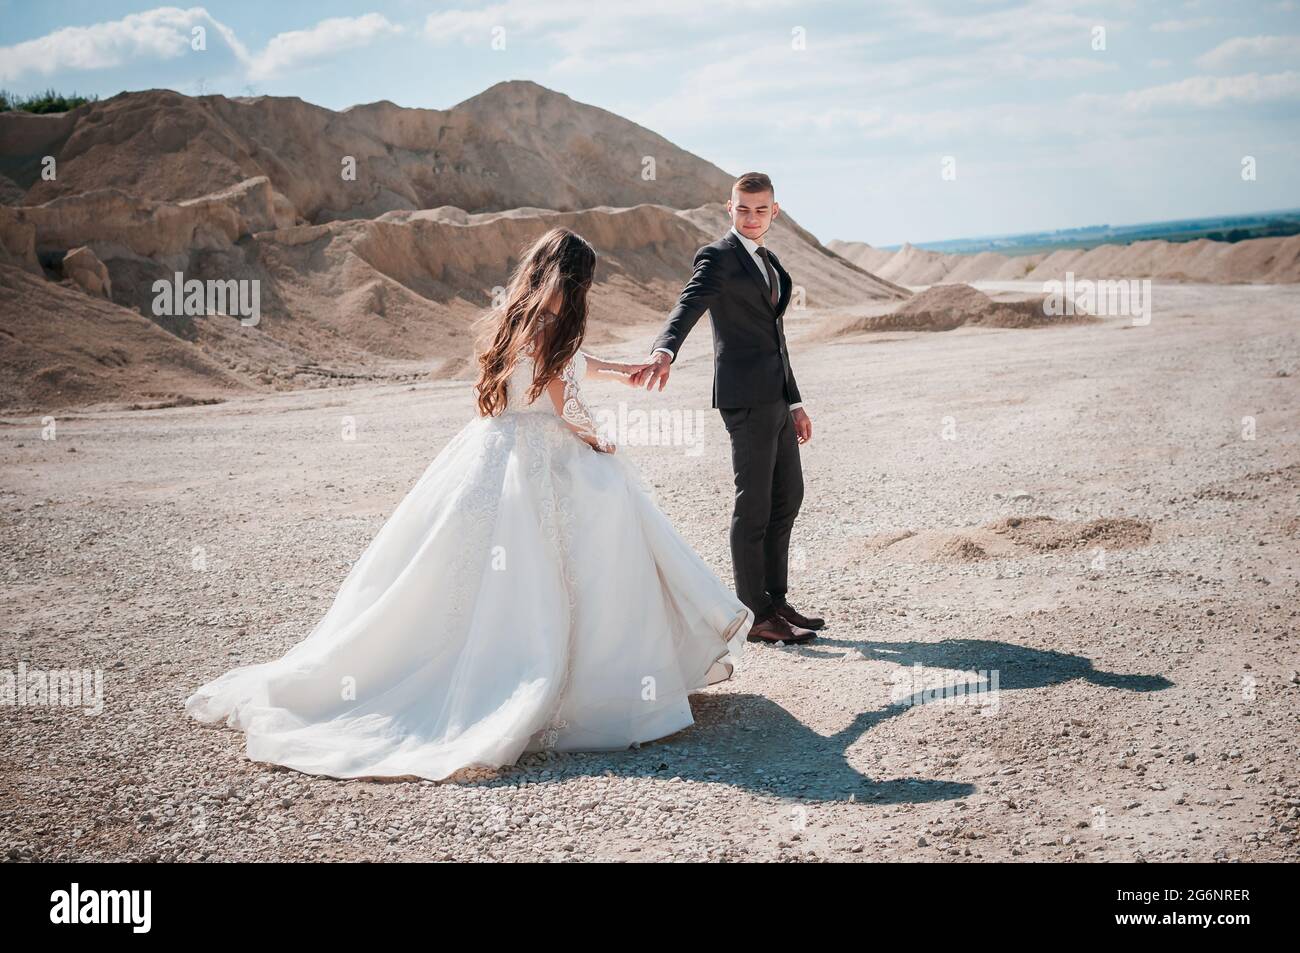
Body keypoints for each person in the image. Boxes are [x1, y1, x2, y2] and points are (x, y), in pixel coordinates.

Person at [184, 226, 753, 782]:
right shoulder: (554, 323)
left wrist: (616, 368)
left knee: (465, 574)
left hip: (492, 449)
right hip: (541, 453)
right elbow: (560, 397)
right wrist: (597, 439)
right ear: (577, 280)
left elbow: (565, 363)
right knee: (590, 536)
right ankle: (582, 684)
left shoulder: (519, 313)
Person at [635, 171, 824, 645]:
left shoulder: (770, 260)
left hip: (778, 398)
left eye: (761, 209)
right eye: (743, 208)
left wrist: (796, 401)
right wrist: (665, 350)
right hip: (744, 399)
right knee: (754, 503)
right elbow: (688, 304)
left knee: (788, 498)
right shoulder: (717, 257)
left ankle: (776, 600)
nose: (752, 216)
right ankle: (755, 613)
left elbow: (776, 342)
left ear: (774, 211)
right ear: (730, 208)